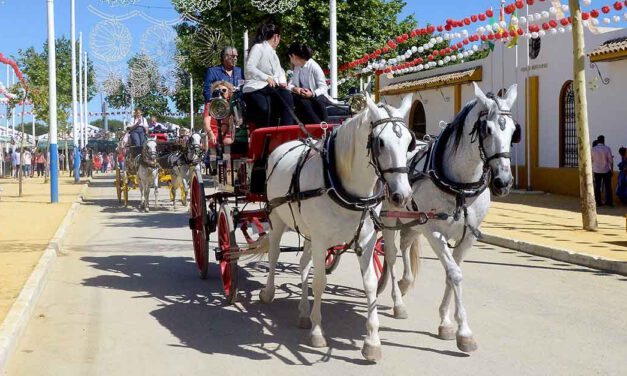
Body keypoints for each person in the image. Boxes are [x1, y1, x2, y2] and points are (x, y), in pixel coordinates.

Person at [243, 23, 295, 127]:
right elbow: (249, 67)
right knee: (264, 108)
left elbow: (280, 71)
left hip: (270, 88)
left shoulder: (273, 53)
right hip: (255, 87)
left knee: (287, 96)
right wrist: (266, 77)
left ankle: (287, 129)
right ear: (276, 37)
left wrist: (282, 81)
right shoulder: (258, 47)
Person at [287, 42, 330, 124]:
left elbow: (323, 87)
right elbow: (290, 84)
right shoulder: (297, 68)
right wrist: (294, 88)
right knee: (302, 102)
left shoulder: (314, 67)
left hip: (316, 96)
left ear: (294, 56)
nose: (291, 61)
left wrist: (312, 94)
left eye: (290, 57)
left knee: (310, 103)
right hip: (303, 96)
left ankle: (321, 126)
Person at [591, 135, 614, 207]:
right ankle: (609, 202)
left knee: (597, 187)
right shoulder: (607, 148)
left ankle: (598, 202)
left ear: (598, 141)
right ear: (604, 140)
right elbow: (610, 161)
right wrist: (612, 170)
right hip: (606, 170)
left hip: (596, 170)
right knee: (608, 187)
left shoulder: (593, 149)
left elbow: (591, 160)